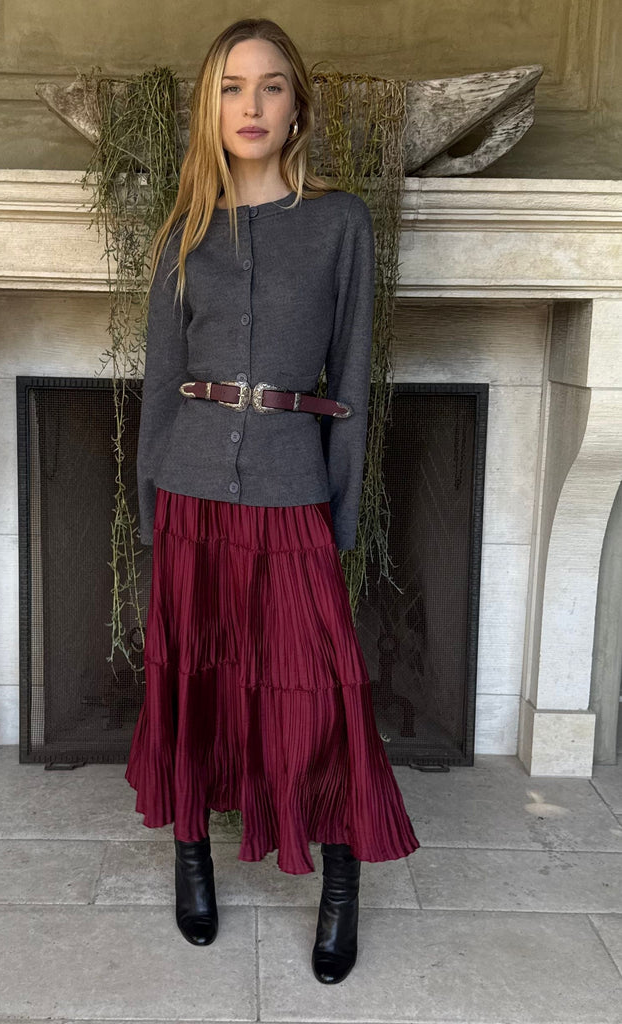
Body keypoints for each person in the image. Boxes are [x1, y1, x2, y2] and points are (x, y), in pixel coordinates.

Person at [125, 17, 420, 984]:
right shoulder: (183, 232)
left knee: (320, 694)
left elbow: (355, 379)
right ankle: (192, 857)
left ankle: (340, 880)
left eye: (270, 87)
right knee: (195, 681)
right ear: (209, 108)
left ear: (298, 107)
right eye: (229, 88)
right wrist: (152, 512)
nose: (249, 106)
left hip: (293, 485)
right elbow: (161, 385)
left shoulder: (341, 224)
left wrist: (336, 513)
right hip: (193, 491)